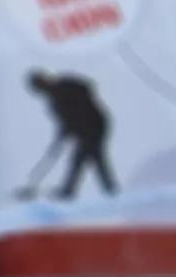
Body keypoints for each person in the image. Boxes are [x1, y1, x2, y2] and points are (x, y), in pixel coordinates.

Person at [15, 69, 116, 202]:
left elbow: (77, 109)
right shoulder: (56, 96)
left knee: (86, 157)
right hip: (90, 127)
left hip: (93, 126)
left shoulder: (64, 88)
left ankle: (75, 191)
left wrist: (67, 132)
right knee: (91, 158)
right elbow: (65, 121)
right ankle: (106, 189)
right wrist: (61, 137)